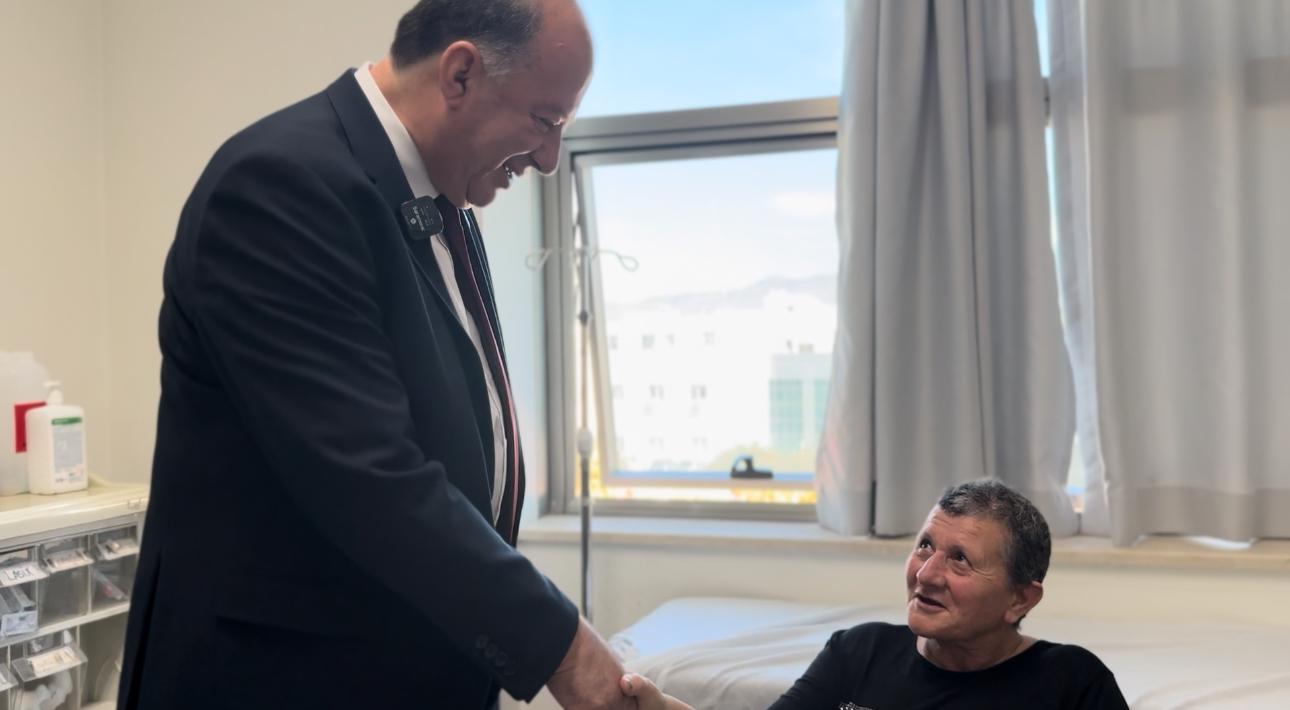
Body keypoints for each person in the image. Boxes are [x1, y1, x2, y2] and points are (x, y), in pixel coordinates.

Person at [119, 1, 634, 708]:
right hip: (283, 682)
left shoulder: (442, 204)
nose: (549, 160)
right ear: (460, 75)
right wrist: (569, 655)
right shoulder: (280, 187)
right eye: (546, 122)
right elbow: (372, 480)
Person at [621, 479, 1129, 709]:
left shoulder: (1071, 684)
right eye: (925, 545)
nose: (926, 573)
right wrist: (661, 708)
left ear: (1020, 600)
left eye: (959, 559)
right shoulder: (858, 652)